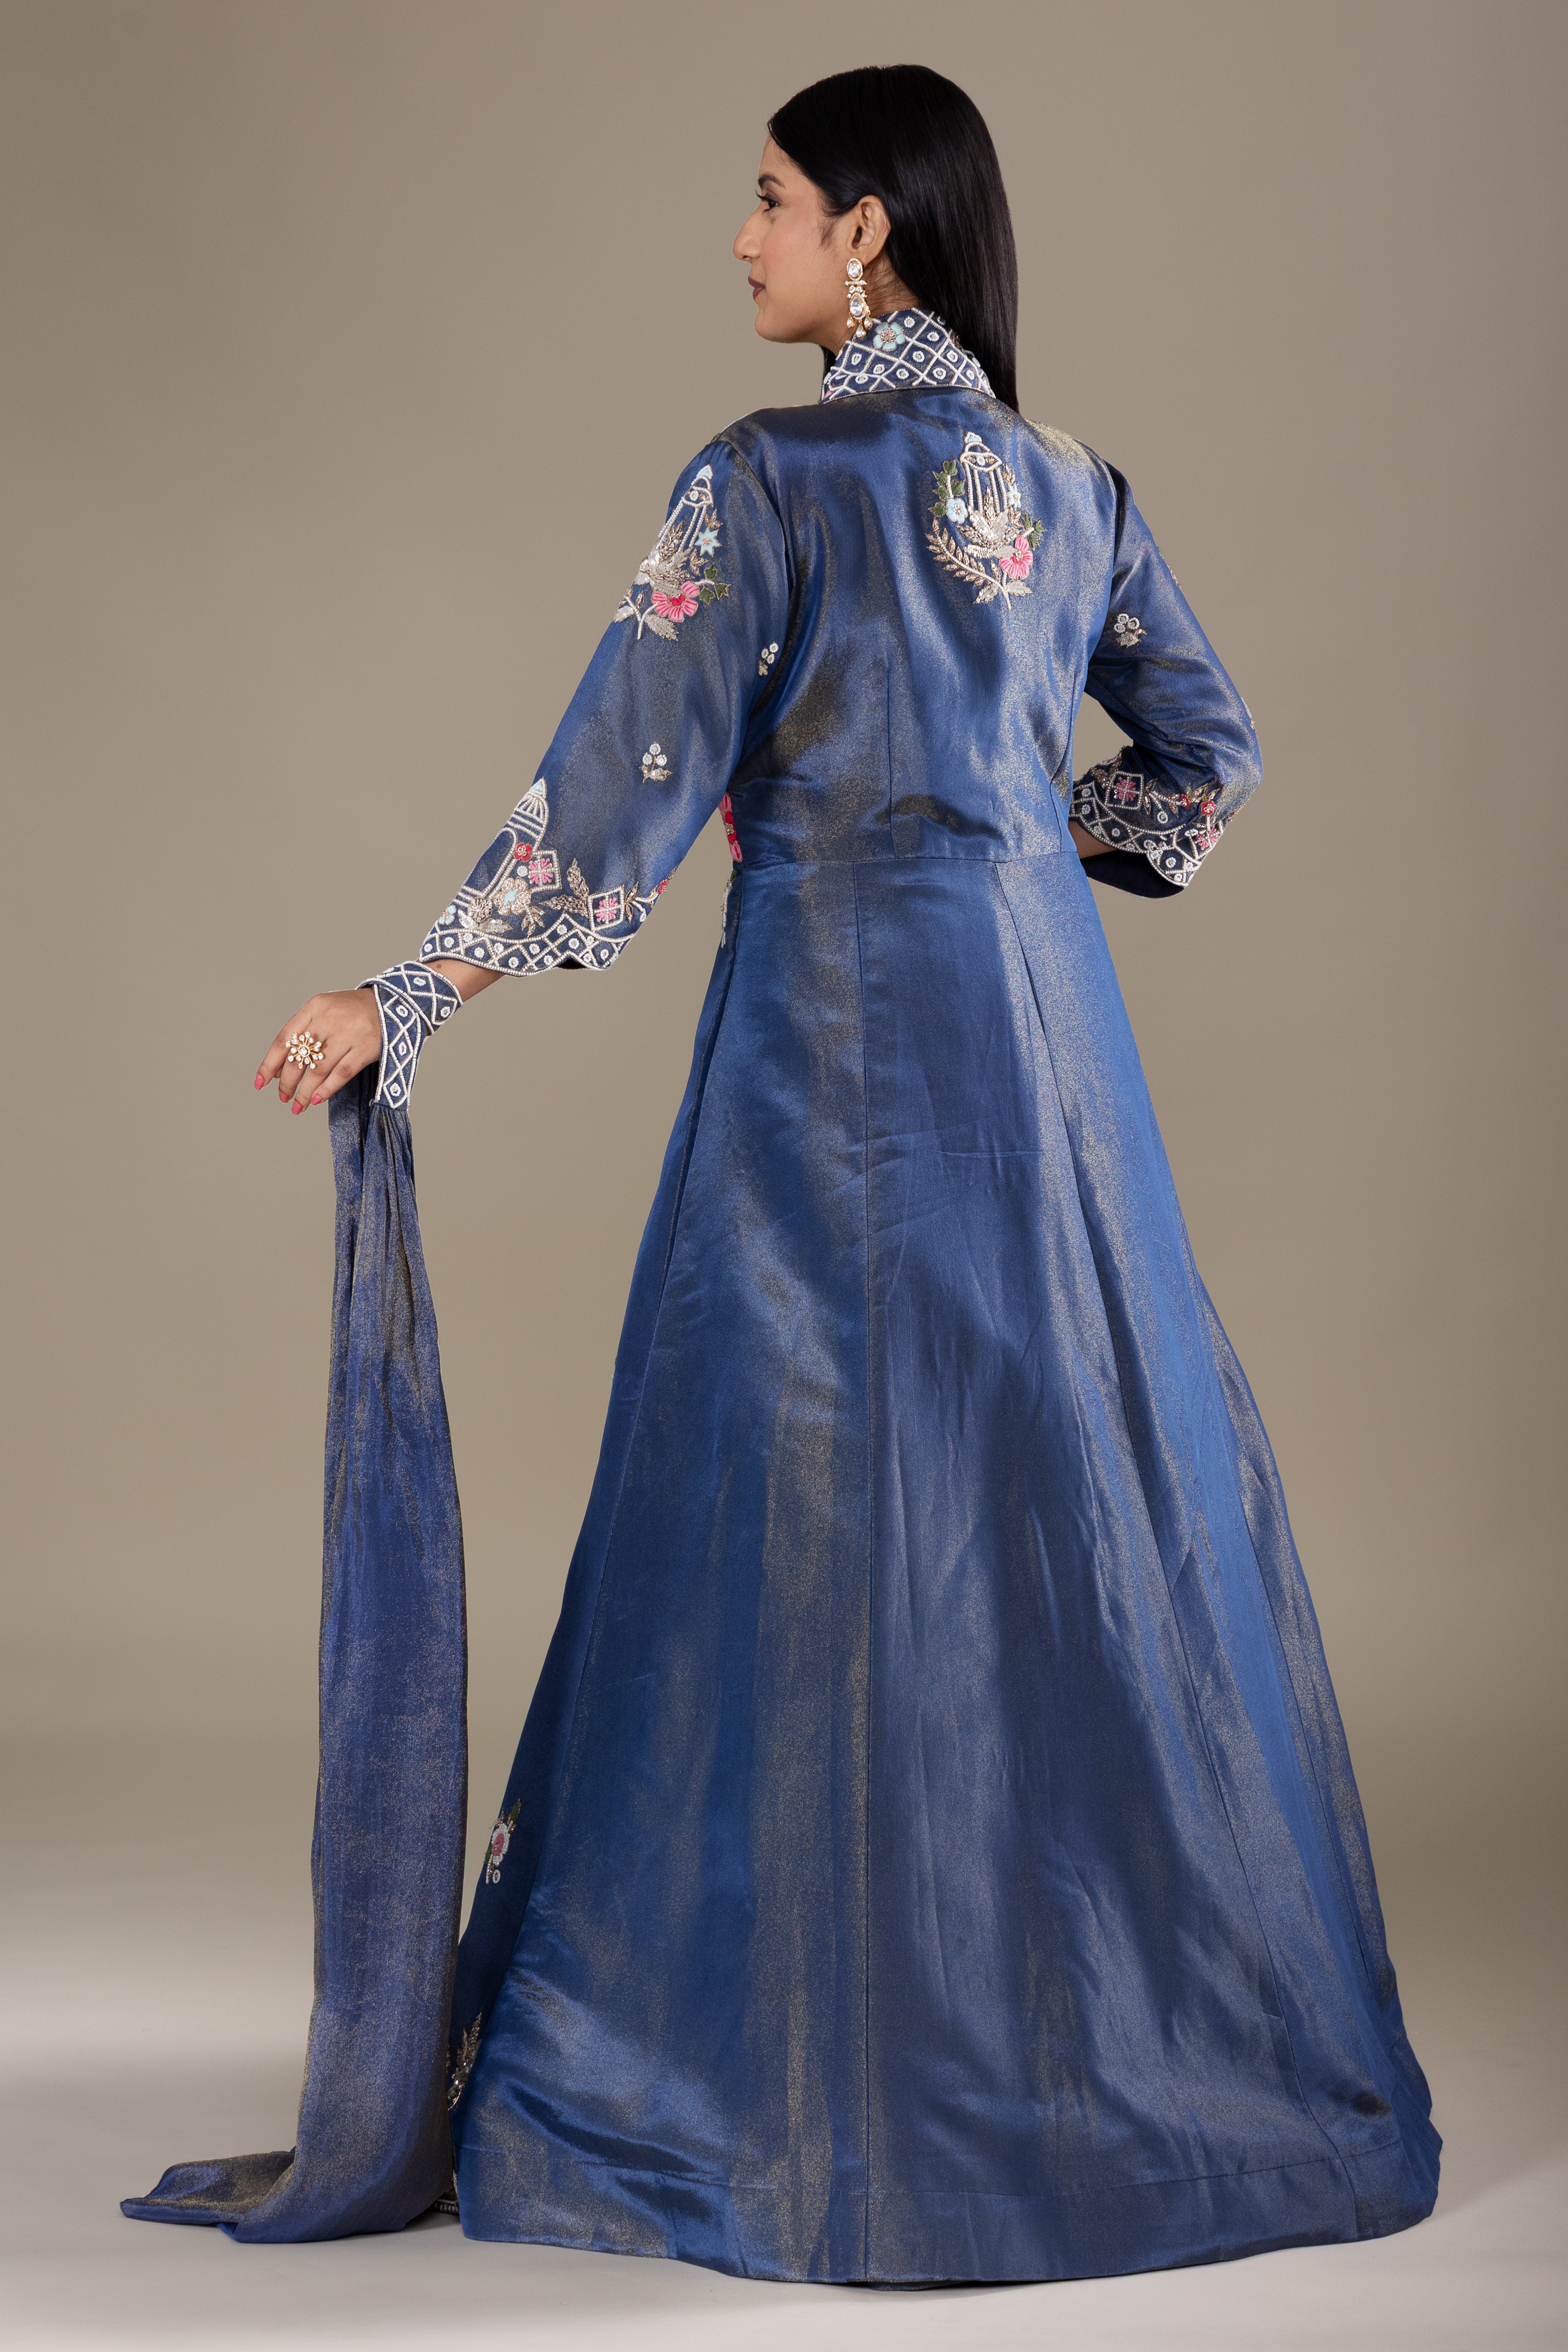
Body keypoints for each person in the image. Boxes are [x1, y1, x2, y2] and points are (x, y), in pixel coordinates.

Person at [240, 63, 1436, 2285]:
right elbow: (1209, 757)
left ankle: (812, 2087)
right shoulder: (1073, 485)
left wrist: (400, 997)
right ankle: (1078, 2054)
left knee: (800, 1521)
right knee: (1060, 1513)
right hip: (1052, 1071)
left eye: (772, 197)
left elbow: (612, 801)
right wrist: (1009, 832)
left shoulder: (769, 476)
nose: (745, 235)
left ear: (867, 228)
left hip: (830, 1061)